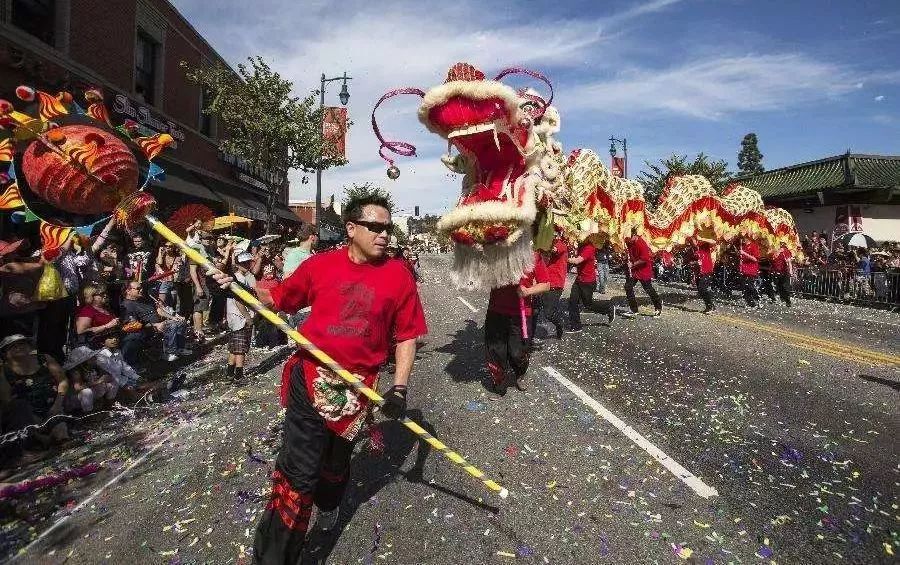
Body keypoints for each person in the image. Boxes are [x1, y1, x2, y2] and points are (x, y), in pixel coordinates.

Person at [212, 193, 426, 564]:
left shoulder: (398, 276)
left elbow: (407, 334)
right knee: (298, 473)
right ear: (351, 228)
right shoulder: (320, 266)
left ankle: (330, 504)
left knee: (334, 469)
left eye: (387, 228)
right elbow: (277, 300)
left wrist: (400, 388)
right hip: (309, 377)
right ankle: (274, 557)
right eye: (374, 227)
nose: (383, 235)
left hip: (357, 391)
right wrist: (236, 287)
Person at [485, 251, 550, 398]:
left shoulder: (534, 255)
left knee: (517, 353)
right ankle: (499, 385)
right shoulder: (496, 252)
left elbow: (546, 285)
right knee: (495, 350)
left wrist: (528, 291)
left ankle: (520, 372)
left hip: (521, 313)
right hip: (496, 310)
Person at [0, 334, 70, 443]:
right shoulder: (4, 371)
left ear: (29, 346)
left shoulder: (44, 358)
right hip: (28, 416)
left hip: (54, 407)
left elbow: (63, 381)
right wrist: (29, 417)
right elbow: (7, 400)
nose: (19, 347)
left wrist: (57, 404)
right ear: (6, 353)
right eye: (13, 346)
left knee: (61, 436)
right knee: (38, 439)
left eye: (22, 343)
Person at [121, 281, 192, 363]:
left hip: (160, 323)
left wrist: (173, 317)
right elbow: (134, 324)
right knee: (172, 326)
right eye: (138, 289)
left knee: (180, 321)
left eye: (141, 288)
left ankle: (179, 348)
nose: (141, 290)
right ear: (128, 291)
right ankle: (168, 351)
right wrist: (155, 325)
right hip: (147, 329)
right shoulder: (127, 305)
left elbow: (158, 311)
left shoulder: (143, 300)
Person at [567, 239, 614, 332]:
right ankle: (576, 326)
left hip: (587, 282)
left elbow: (577, 261)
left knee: (588, 304)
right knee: (572, 301)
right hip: (580, 279)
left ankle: (608, 308)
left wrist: (564, 258)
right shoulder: (582, 246)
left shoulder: (589, 247)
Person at [225, 252, 257, 382]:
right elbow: (239, 301)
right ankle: (239, 375)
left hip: (234, 317)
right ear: (238, 265)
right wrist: (247, 317)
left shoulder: (239, 278)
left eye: (248, 262)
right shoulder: (238, 280)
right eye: (244, 263)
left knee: (234, 348)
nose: (247, 265)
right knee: (240, 349)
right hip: (239, 318)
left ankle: (230, 373)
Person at [63, 346, 118, 412]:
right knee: (87, 392)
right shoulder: (76, 372)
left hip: (92, 392)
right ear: (84, 360)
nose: (95, 358)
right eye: (91, 357)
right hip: (76, 399)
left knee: (114, 382)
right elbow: (78, 388)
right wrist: (98, 382)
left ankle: (109, 407)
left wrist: (106, 378)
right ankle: (88, 416)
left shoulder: (94, 366)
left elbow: (107, 375)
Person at [621, 231, 662, 318]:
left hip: (644, 270)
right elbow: (628, 251)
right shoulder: (629, 241)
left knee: (648, 289)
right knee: (628, 287)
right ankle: (633, 310)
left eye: (629, 237)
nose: (628, 240)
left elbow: (644, 259)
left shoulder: (641, 244)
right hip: (634, 271)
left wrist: (633, 264)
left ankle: (658, 307)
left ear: (635, 235)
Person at [540, 236, 567, 339]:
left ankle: (560, 324)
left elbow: (554, 250)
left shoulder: (560, 244)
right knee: (539, 309)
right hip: (544, 282)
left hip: (555, 284)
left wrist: (540, 242)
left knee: (549, 313)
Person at [691, 233, 717, 314]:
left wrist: (702, 239)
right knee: (700, 291)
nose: (693, 242)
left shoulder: (704, 246)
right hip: (698, 273)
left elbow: (714, 242)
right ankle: (710, 305)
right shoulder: (692, 250)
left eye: (694, 239)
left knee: (703, 289)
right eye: (691, 240)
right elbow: (689, 262)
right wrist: (695, 263)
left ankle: (710, 307)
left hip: (707, 271)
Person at [738, 238, 761, 308]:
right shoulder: (743, 247)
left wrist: (744, 253)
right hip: (744, 270)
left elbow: (755, 259)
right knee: (744, 287)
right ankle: (750, 303)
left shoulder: (754, 246)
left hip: (751, 271)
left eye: (745, 237)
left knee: (750, 286)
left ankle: (757, 300)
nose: (743, 238)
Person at [770, 242, 794, 306]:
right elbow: (773, 260)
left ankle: (787, 301)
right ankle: (782, 298)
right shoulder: (774, 251)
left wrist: (791, 271)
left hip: (784, 271)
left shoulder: (785, 251)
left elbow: (789, 262)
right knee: (778, 286)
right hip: (776, 271)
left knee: (785, 287)